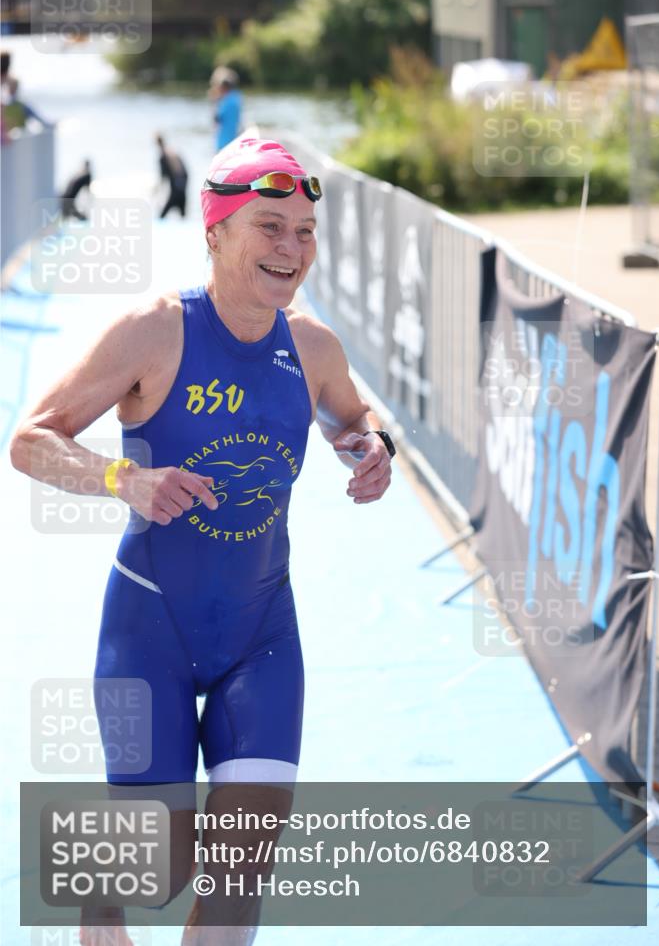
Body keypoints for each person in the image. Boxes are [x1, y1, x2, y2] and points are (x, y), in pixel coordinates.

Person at [10, 136, 394, 945]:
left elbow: (353, 415)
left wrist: (372, 447)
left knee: (240, 872)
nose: (291, 248)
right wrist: (123, 478)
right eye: (269, 226)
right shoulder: (153, 331)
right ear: (215, 232)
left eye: (304, 231)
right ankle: (100, 896)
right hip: (149, 626)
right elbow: (31, 439)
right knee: (159, 869)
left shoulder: (312, 346)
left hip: (261, 634)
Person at [209, 65, 242, 150]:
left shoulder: (227, 101)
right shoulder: (237, 97)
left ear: (224, 87)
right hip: (233, 139)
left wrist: (214, 102)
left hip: (224, 142)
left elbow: (216, 119)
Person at [155, 133, 188, 218]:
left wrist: (158, 190)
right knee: (183, 215)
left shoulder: (163, 156)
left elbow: (163, 176)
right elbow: (185, 173)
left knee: (162, 216)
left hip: (176, 189)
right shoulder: (172, 151)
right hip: (181, 187)